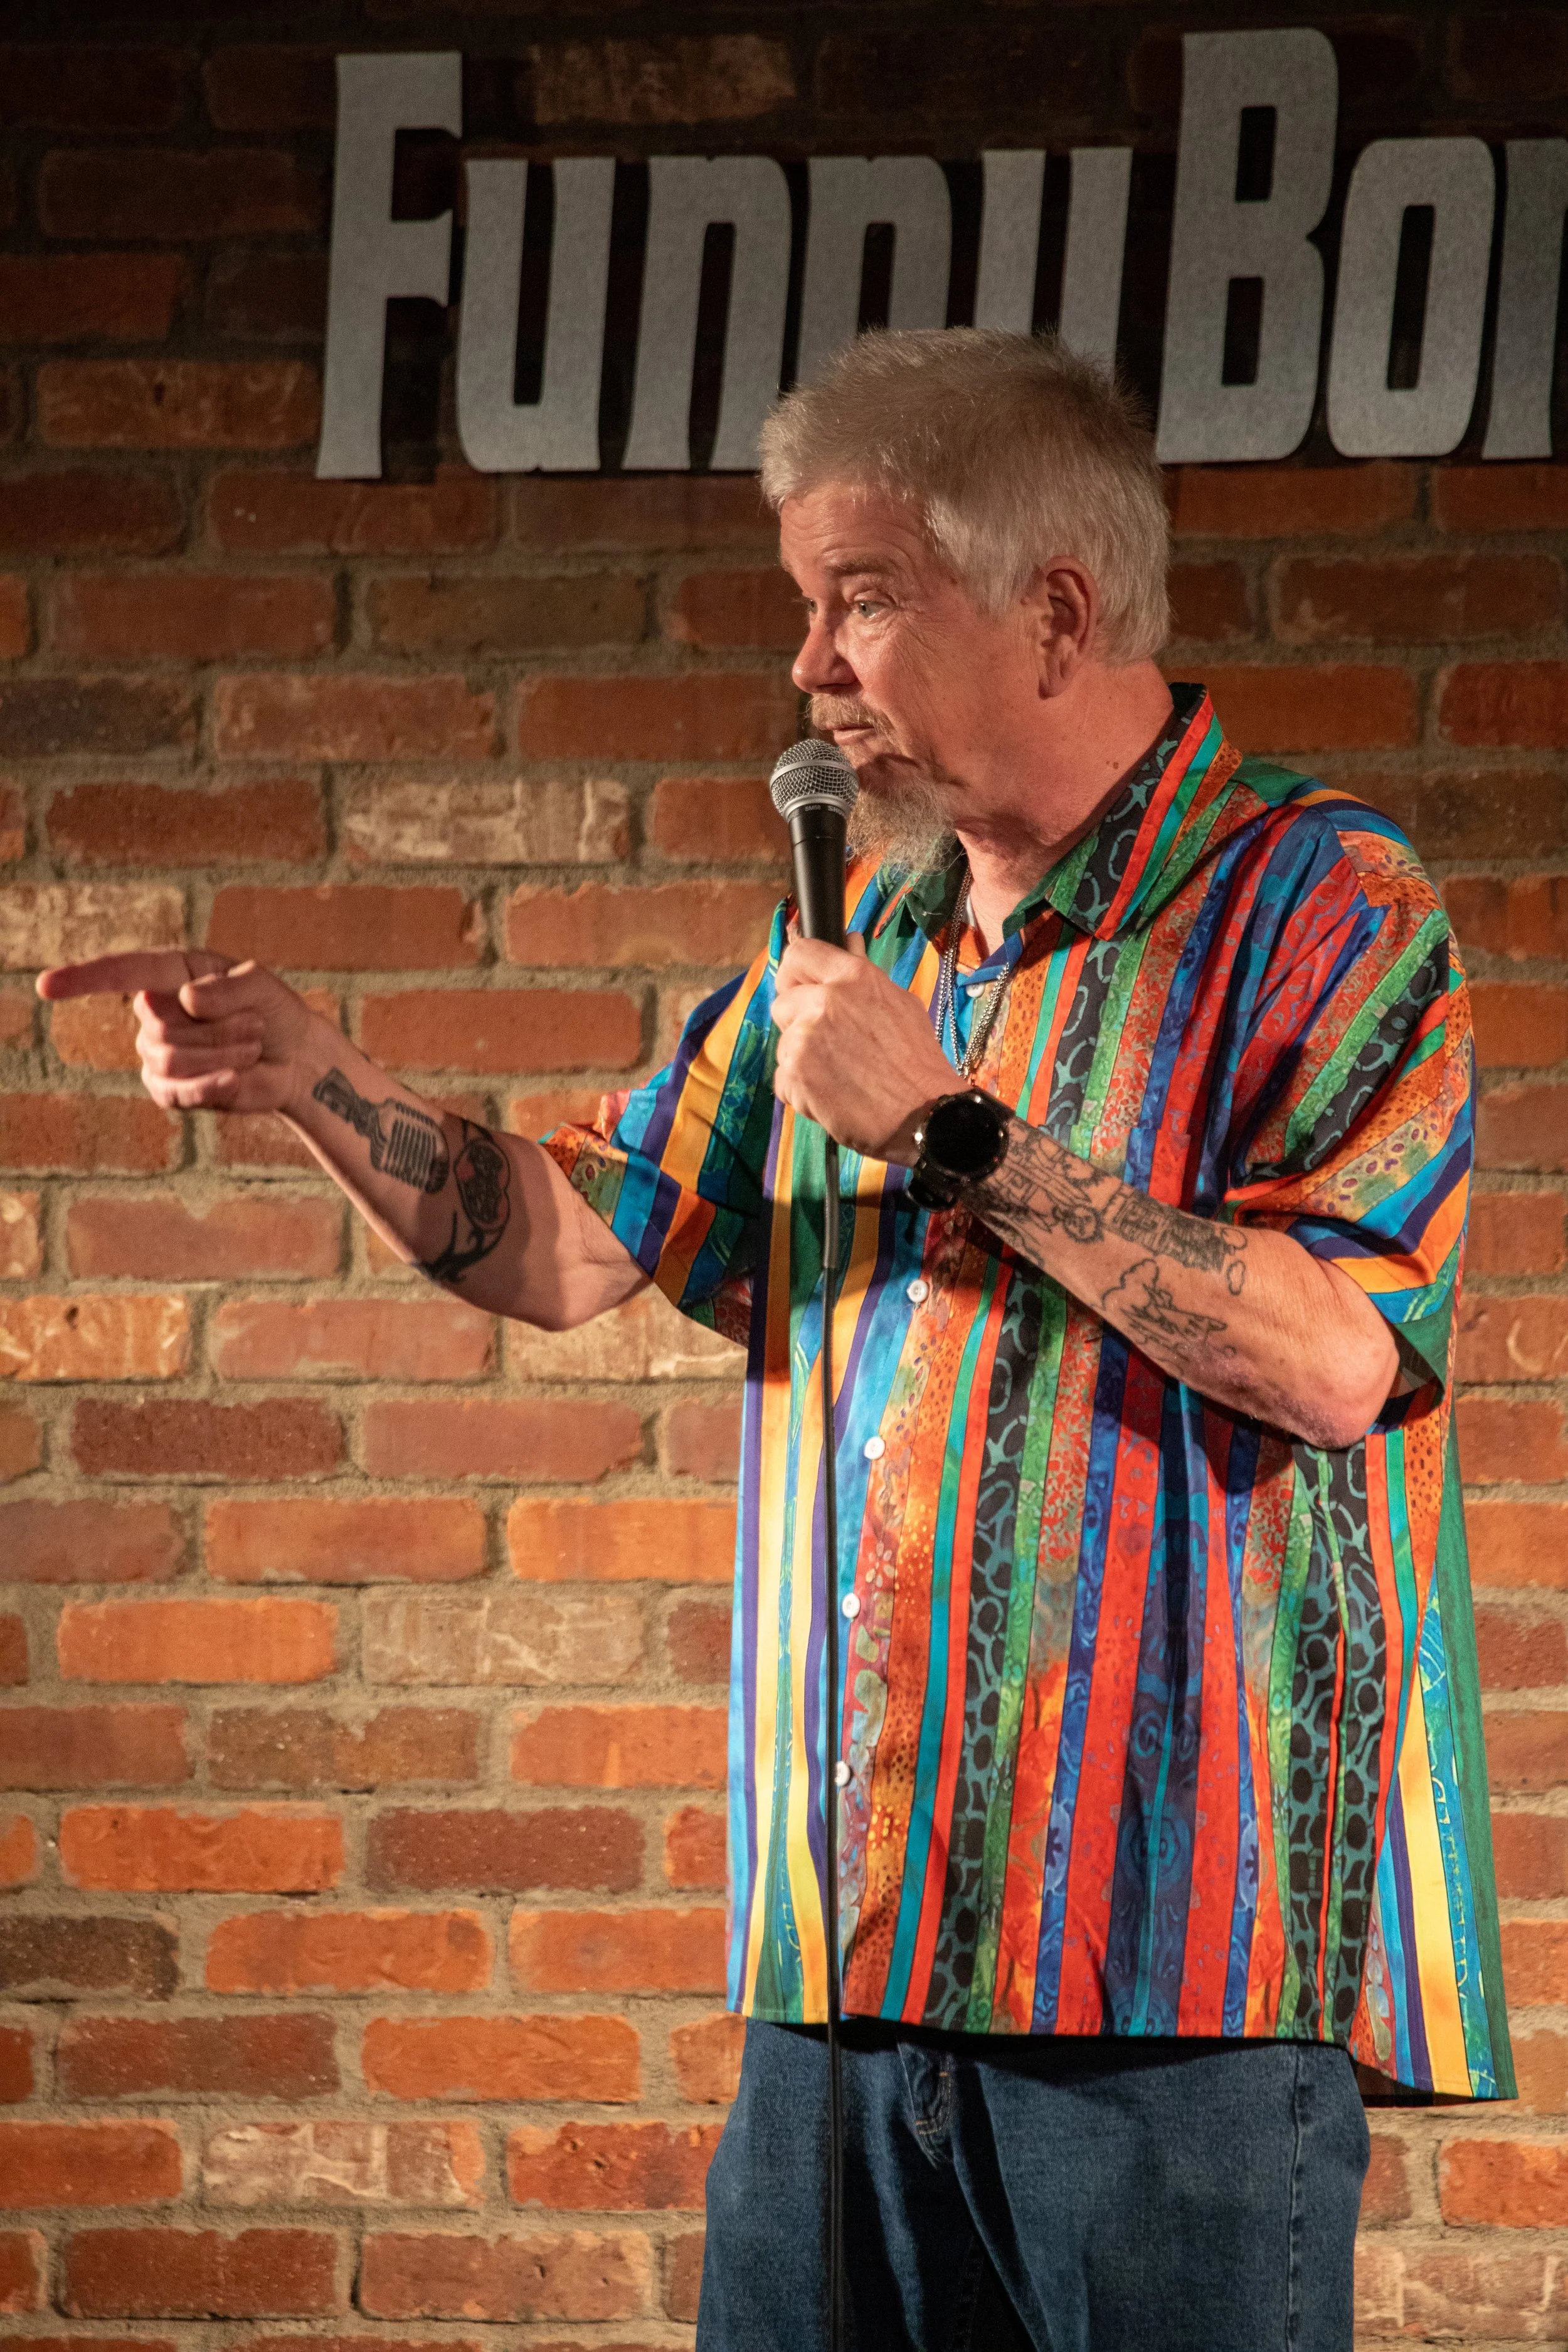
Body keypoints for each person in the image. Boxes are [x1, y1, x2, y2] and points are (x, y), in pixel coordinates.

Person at [41, 329, 1512, 2352]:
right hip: (839, 1978)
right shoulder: (858, 946)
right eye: (803, 608)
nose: (809, 670)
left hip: (1172, 1998)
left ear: (1055, 613)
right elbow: (567, 1248)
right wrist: (313, 1077)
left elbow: (1339, 1354)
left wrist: (950, 1132)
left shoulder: (1321, 902)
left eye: (861, 600)